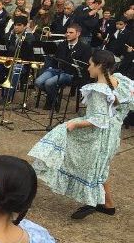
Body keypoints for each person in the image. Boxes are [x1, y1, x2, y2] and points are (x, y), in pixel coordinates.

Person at [29, 50, 133, 219]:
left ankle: (92, 201)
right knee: (100, 167)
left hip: (100, 134)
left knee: (80, 160)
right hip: (113, 133)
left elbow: (99, 119)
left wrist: (74, 123)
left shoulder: (99, 89)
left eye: (91, 65)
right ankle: (108, 205)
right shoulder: (119, 81)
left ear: (99, 66)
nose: (88, 68)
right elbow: (127, 104)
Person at [34, 23, 91, 109]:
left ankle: (51, 101)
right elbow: (56, 59)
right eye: (67, 32)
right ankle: (54, 97)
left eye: (71, 32)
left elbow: (84, 66)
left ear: (78, 34)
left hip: (72, 74)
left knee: (49, 83)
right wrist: (50, 68)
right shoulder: (62, 44)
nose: (68, 34)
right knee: (38, 82)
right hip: (57, 70)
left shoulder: (84, 48)